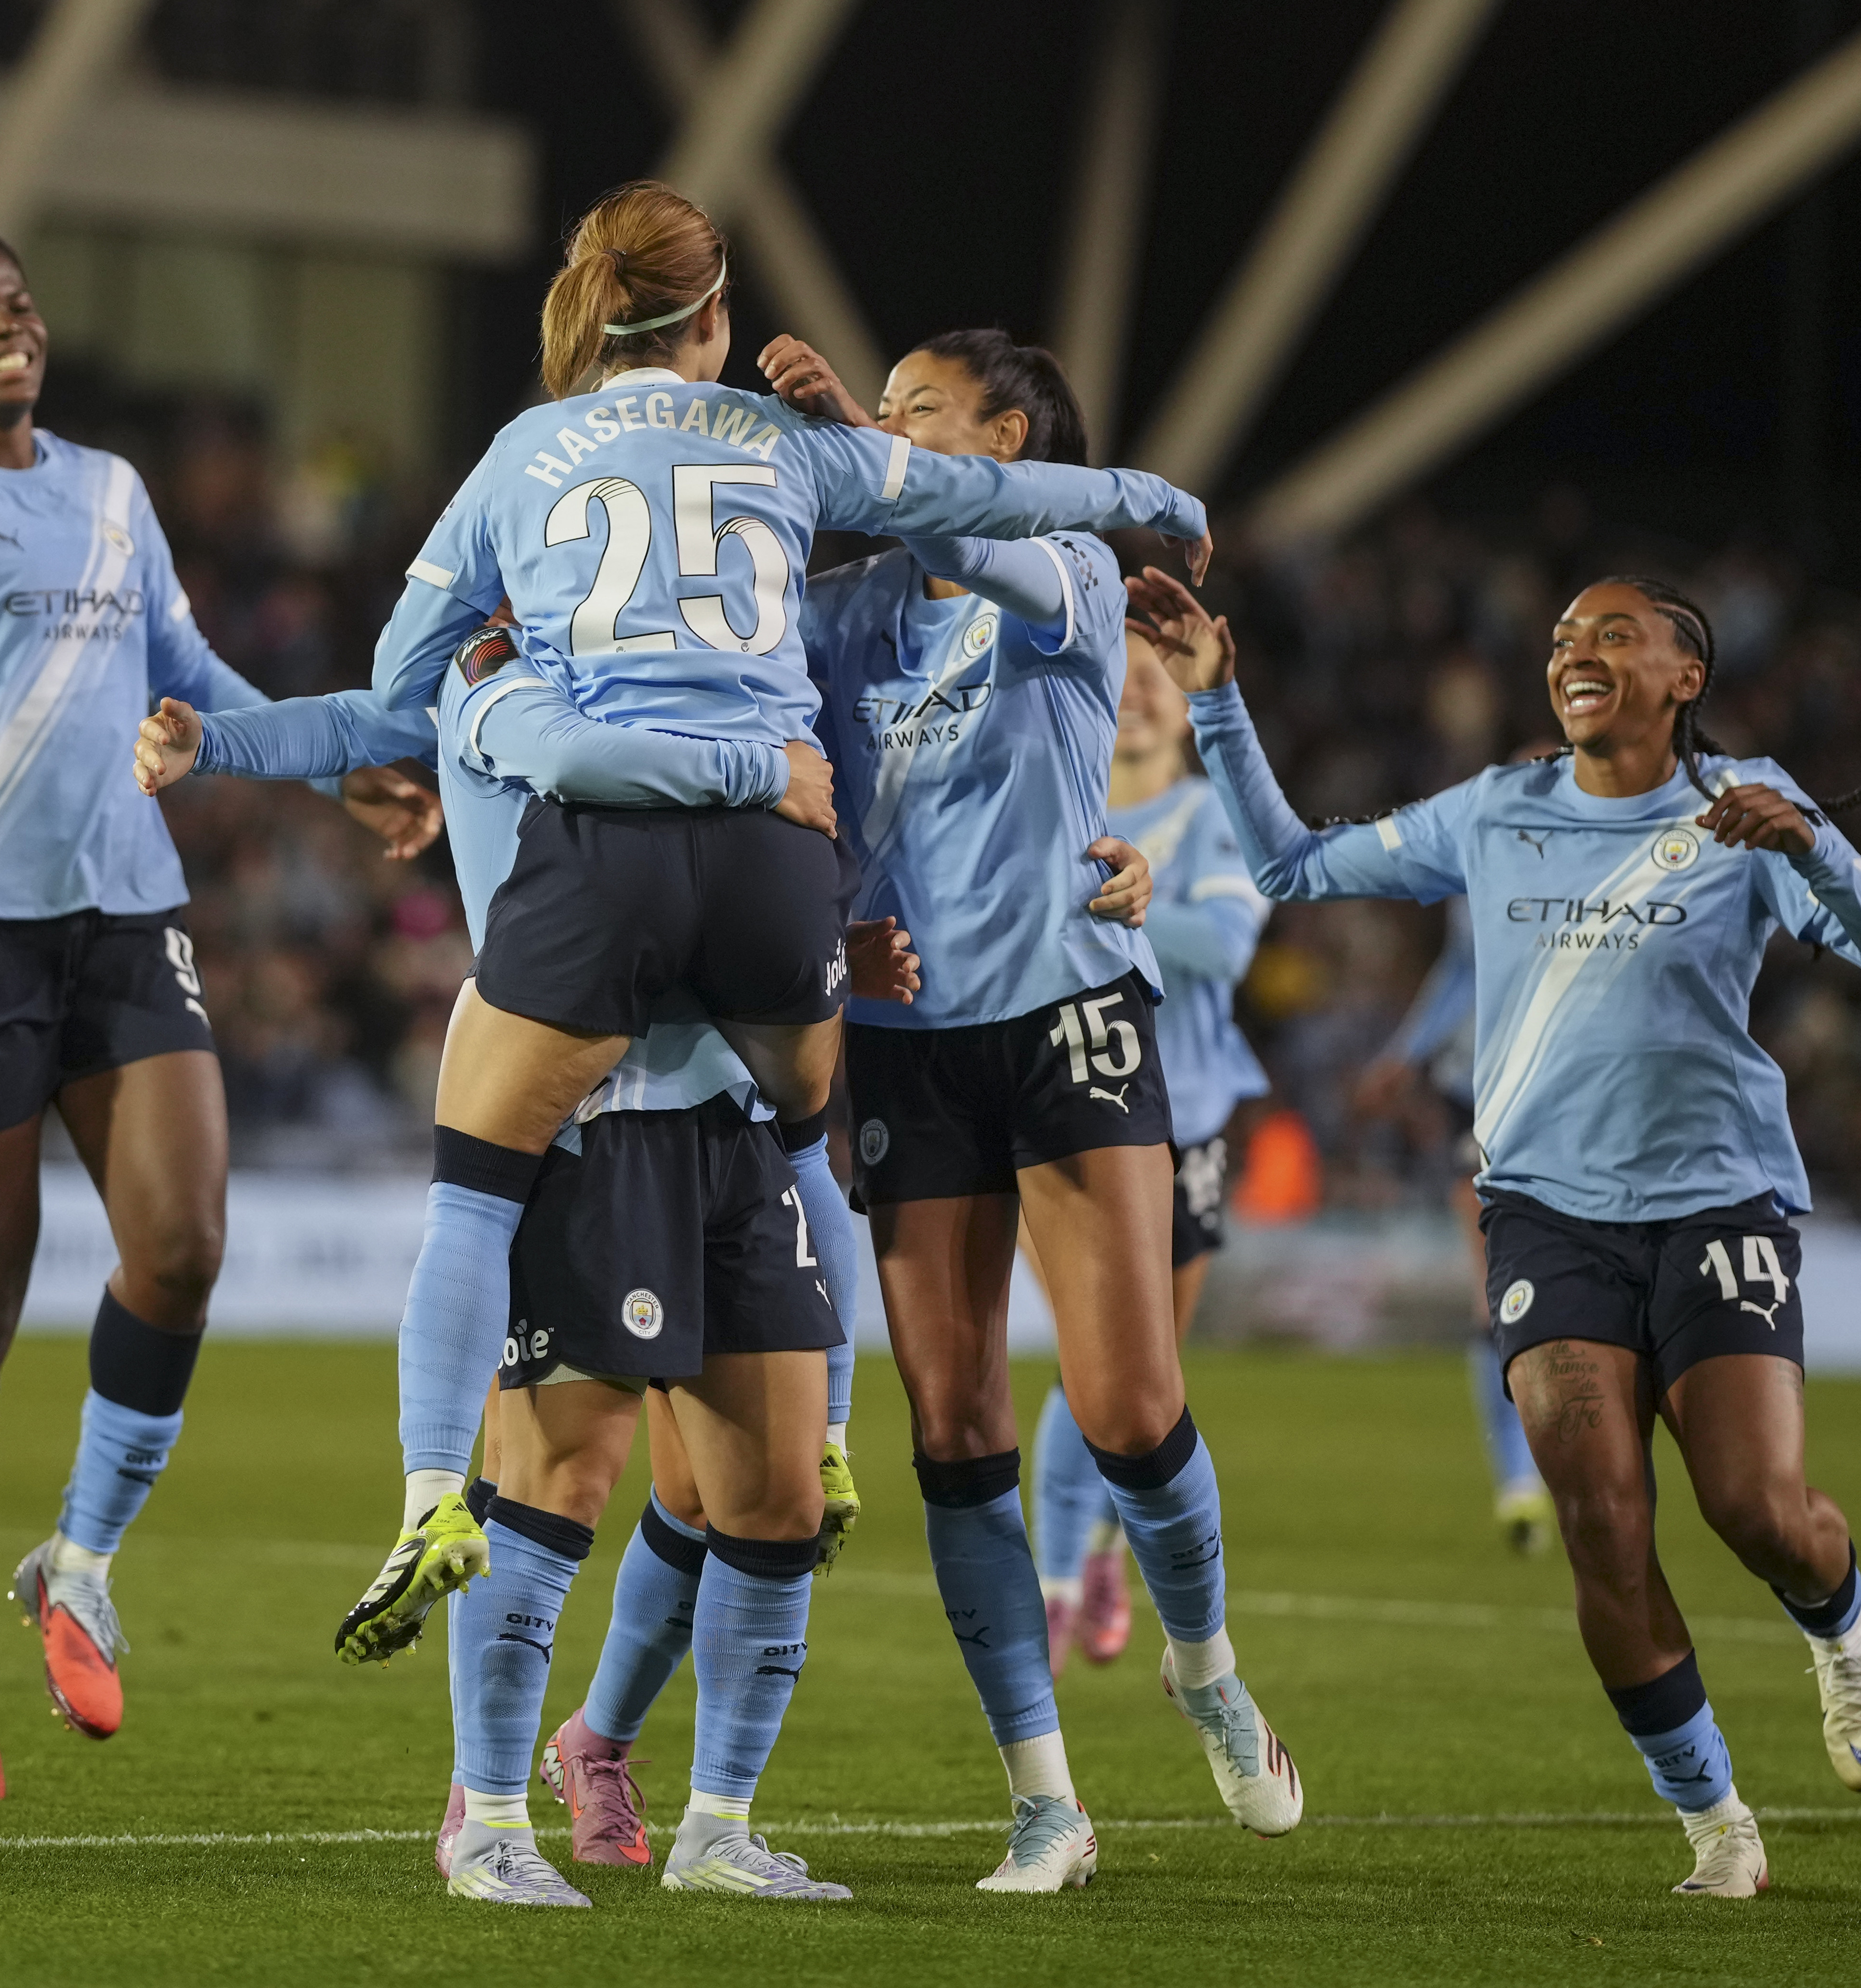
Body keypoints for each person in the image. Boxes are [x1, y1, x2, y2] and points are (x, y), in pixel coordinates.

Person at [336, 180, 1212, 1666]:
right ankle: (837, 1438)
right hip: (771, 876)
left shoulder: (519, 455)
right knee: (803, 1157)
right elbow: (985, 503)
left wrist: (425, 746)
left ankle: (432, 1489)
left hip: (606, 859)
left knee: (477, 1193)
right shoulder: (789, 454)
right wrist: (1144, 495)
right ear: (717, 318)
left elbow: (403, 664)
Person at [1141, 566, 1861, 1899]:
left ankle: (1839, 1621)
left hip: (1715, 1201)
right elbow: (1288, 859)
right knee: (1602, 1526)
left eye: (1613, 635)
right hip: (1544, 1217)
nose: (1576, 652)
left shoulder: (1745, 809)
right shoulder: (1494, 811)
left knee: (1753, 1507)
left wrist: (1811, 845)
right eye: (1565, 637)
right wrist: (1217, 697)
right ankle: (1712, 1820)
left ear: (1685, 676)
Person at [0, 229, 441, 1801]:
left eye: (19, 306)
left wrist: (320, 755)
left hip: (122, 918)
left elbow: (187, 677)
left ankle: (78, 1563)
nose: (10, 328)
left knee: (186, 1243)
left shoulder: (109, 491)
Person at [139, 621, 903, 1905]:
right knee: (556, 1486)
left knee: (774, 1502)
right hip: (581, 1117)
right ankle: (488, 1823)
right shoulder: (508, 675)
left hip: (733, 1116)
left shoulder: (725, 670)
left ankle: (722, 1829)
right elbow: (351, 723)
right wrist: (211, 741)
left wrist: (825, 946)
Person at [757, 326, 1300, 1891]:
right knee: (955, 1429)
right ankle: (1046, 1801)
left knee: (1128, 1409)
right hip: (903, 1042)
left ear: (1004, 442)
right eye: (881, 412)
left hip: (1069, 1020)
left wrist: (852, 441)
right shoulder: (840, 616)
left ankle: (1203, 1669)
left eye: (915, 413)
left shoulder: (1063, 566)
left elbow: (939, 515)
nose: (881, 432)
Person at [1028, 619, 1271, 1675]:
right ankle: (1054, 1580)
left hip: (1190, 1114)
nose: (1132, 690)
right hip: (1065, 1102)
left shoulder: (1213, 817)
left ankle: (1107, 1552)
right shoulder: (1050, 806)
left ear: (1188, 702)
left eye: (1155, 675)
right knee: (1085, 1359)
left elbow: (1221, 945)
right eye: (1114, 673)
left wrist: (1091, 903)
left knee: (1148, 1372)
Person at [1352, 897, 1559, 1553]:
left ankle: (1574, 1471)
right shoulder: (1480, 833)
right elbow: (1461, 969)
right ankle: (1518, 1482)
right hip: (1477, 1087)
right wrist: (1408, 1053)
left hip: (1569, 1087)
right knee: (1495, 1292)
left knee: (1567, 1289)